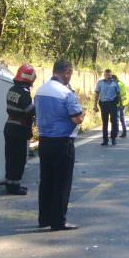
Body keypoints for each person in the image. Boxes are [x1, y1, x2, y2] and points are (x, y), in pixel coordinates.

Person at [34, 59, 85, 231]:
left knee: (46, 180)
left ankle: (44, 218)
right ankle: (58, 221)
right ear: (67, 73)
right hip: (62, 142)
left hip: (44, 140)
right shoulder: (66, 93)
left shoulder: (40, 90)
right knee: (62, 182)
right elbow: (77, 118)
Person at [4, 63, 36, 195]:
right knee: (19, 159)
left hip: (10, 126)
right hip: (19, 129)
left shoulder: (12, 89)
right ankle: (15, 186)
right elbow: (30, 110)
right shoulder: (24, 93)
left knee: (10, 157)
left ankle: (10, 184)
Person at [94, 69, 121, 146]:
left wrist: (121, 104)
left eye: (109, 75)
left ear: (111, 75)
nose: (108, 76)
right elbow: (96, 94)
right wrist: (95, 105)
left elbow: (118, 94)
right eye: (107, 75)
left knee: (114, 121)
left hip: (112, 104)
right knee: (105, 122)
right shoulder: (100, 83)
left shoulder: (115, 83)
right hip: (103, 104)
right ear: (104, 75)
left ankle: (113, 138)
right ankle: (105, 140)